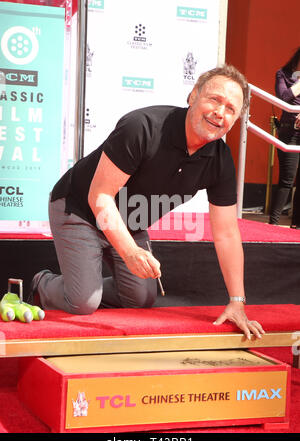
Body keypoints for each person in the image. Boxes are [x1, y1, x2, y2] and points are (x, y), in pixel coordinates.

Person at [28, 64, 265, 340]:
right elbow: (100, 196)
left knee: (140, 299)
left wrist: (237, 301)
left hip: (130, 221)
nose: (219, 112)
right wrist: (129, 252)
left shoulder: (221, 161)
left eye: (230, 109)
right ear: (193, 96)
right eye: (214, 99)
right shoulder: (143, 127)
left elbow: (226, 233)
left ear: (235, 120)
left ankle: (86, 284)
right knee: (83, 303)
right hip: (79, 208)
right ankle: (41, 284)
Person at [269, 47, 300, 226]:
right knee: (286, 180)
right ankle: (273, 224)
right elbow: (284, 97)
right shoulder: (283, 74)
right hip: (290, 133)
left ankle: (296, 226)